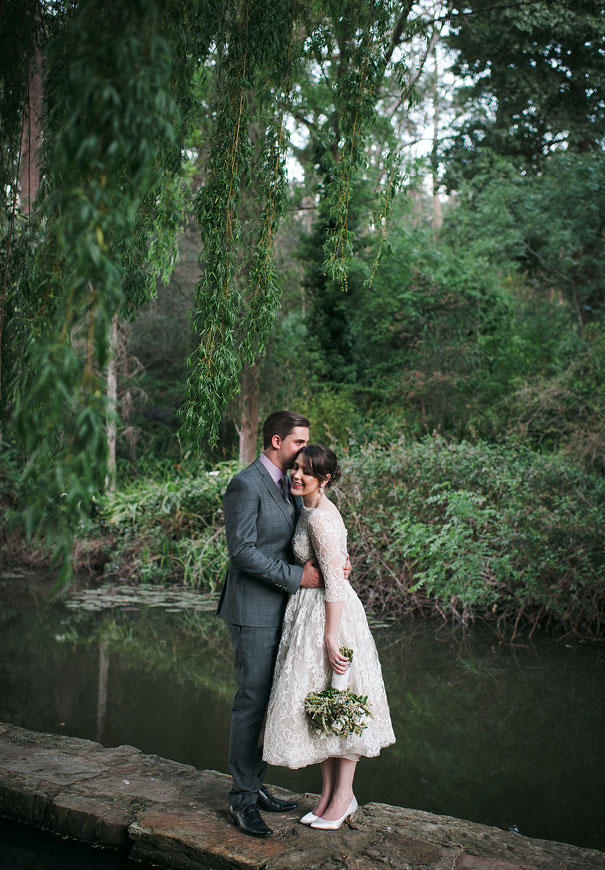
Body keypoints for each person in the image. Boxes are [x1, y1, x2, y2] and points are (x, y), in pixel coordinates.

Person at [262, 444, 395, 830]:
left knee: (340, 701)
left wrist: (331, 636)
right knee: (319, 703)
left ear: (326, 479)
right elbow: (330, 562)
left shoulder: (321, 519)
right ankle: (326, 796)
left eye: (307, 472)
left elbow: (335, 584)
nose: (297, 476)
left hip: (330, 615)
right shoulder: (311, 509)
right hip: (311, 611)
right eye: (296, 468)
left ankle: (344, 798)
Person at [217, 410, 324, 839]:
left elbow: (294, 539)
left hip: (284, 610)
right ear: (277, 440)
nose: (305, 449)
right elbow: (241, 551)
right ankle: (241, 800)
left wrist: (331, 562)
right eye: (299, 442)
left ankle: (255, 784)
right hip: (252, 611)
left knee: (271, 700)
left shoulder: (291, 484)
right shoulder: (245, 484)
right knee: (252, 703)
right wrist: (300, 578)